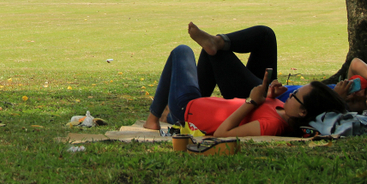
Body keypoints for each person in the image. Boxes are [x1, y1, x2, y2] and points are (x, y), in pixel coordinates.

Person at [144, 31, 347, 137]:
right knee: (186, 52)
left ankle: (153, 119)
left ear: (303, 112)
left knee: (182, 50)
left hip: (188, 108)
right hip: (200, 104)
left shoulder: (274, 125)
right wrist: (269, 96)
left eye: (295, 96)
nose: (290, 95)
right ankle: (166, 117)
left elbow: (224, 133)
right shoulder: (282, 109)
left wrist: (252, 101)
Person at [187, 23, 367, 113]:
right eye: (361, 90)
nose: (357, 95)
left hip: (260, 99)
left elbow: (300, 115)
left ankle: (187, 107)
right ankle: (219, 41)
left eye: (362, 101)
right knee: (265, 35)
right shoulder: (351, 89)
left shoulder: (342, 112)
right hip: (271, 88)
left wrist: (340, 100)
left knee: (214, 55)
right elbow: (355, 63)